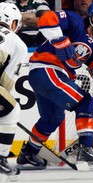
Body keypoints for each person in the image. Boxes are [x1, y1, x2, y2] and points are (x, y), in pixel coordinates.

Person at [16, 1, 93, 170]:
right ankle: (86, 148)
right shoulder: (75, 20)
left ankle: (28, 153)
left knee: (52, 118)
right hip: (46, 69)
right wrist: (59, 40)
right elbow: (47, 19)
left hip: (51, 76)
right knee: (85, 102)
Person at [0, 2, 27, 177]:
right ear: (12, 22)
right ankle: (1, 158)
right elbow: (6, 83)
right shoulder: (16, 42)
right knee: (11, 110)